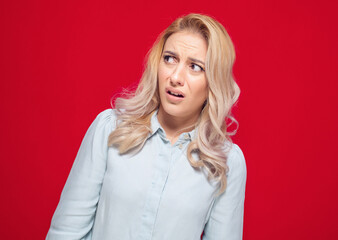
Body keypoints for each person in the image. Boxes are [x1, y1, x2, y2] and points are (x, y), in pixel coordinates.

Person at [46, 13, 246, 240]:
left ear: (214, 82)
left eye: (195, 67)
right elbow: (66, 233)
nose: (176, 76)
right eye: (170, 58)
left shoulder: (226, 162)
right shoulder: (110, 129)